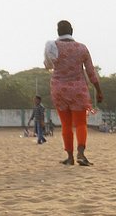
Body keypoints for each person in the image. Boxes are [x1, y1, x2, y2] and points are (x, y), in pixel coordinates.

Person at [43, 20, 102, 166]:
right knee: (81, 123)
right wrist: (99, 91)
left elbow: (47, 65)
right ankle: (81, 152)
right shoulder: (81, 48)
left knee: (66, 125)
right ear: (72, 31)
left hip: (59, 89)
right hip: (78, 90)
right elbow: (90, 72)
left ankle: (69, 157)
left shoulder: (52, 47)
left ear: (58, 31)